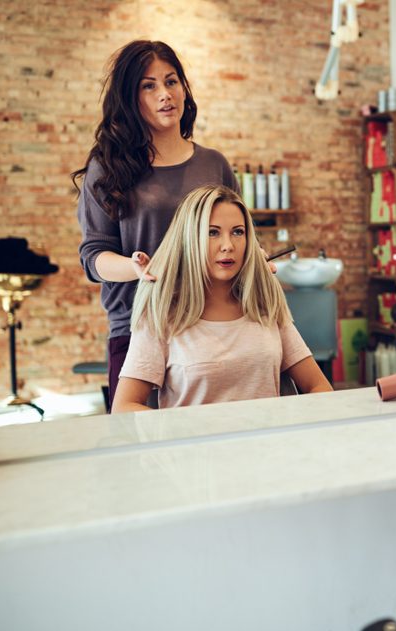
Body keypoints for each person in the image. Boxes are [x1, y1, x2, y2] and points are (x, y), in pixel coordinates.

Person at [74, 40, 239, 404]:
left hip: (210, 326)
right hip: (138, 329)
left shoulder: (214, 164)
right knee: (138, 448)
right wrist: (136, 268)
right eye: (149, 86)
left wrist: (253, 258)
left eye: (171, 81)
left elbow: (236, 234)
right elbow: (94, 256)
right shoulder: (108, 167)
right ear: (131, 99)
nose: (165, 94)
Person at [111, 185, 331, 412]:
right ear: (189, 238)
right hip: (196, 447)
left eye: (238, 232)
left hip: (269, 445)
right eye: (212, 232)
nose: (228, 246)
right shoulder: (162, 314)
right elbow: (124, 407)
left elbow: (318, 386)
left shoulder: (264, 305)